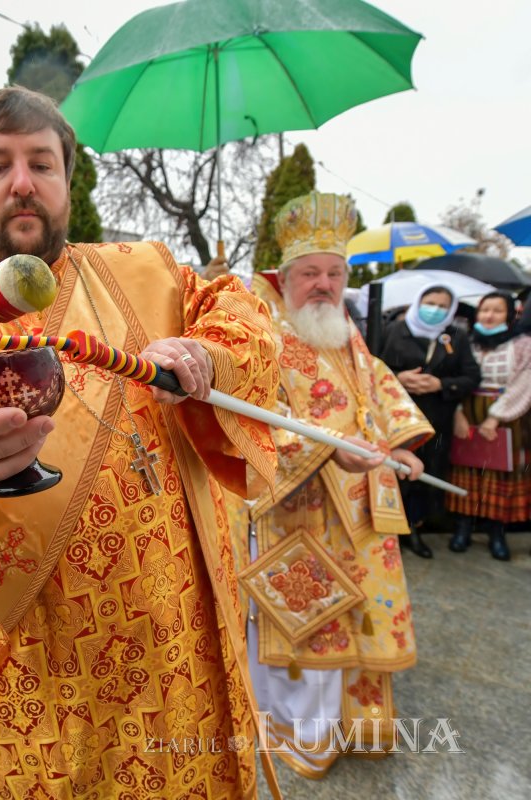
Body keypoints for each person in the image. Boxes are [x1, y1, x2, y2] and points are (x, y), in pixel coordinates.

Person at [0, 87, 284, 799]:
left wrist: (208, 354)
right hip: (50, 660)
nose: (23, 182)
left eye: (42, 162)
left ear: (68, 181)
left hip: (182, 636)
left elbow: (243, 315)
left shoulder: (149, 273)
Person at [244, 192, 432, 780]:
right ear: (285, 275)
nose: (323, 285)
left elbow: (372, 384)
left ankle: (351, 726)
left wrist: (398, 440)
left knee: (357, 623)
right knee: (309, 630)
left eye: (334, 272)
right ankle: (298, 734)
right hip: (299, 508)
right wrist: (328, 449)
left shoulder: (342, 328)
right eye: (310, 274)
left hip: (361, 506)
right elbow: (248, 420)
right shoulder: (260, 334)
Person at [379, 284, 481, 558]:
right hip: (396, 420)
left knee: (424, 477)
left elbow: (471, 377)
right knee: (394, 474)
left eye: (442, 306)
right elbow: (371, 366)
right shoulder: (393, 331)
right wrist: (398, 378)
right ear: (418, 302)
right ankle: (389, 531)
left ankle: (414, 530)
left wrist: (441, 384)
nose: (435, 309)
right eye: (430, 302)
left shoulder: (455, 337)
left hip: (436, 420)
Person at [447, 292, 531, 560]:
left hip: (507, 415)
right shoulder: (466, 342)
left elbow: (524, 382)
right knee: (467, 468)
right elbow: (456, 377)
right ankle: (463, 528)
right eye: (484, 311)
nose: (489, 316)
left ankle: (497, 533)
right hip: (468, 411)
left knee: (500, 473)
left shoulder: (523, 344)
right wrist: (457, 413)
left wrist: (496, 416)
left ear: (510, 314)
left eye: (497, 311)